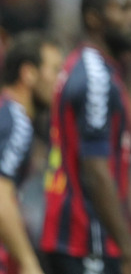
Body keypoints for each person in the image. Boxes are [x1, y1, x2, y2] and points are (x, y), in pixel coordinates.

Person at [40, 0, 131, 274]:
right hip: (86, 242)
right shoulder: (95, 79)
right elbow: (96, 170)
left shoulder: (88, 67)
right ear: (93, 18)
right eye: (123, 9)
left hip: (75, 241)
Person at [0, 32, 63, 274]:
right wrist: (28, 261)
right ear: (28, 73)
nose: (61, 81)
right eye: (55, 70)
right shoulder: (16, 122)